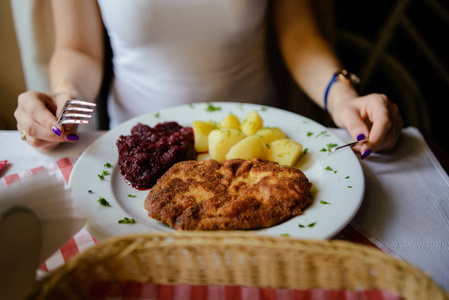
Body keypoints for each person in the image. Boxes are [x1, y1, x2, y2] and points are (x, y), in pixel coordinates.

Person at [14, 0, 402, 159]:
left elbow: (299, 36)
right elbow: (79, 48)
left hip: (262, 146)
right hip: (136, 150)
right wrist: (63, 99)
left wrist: (342, 98)